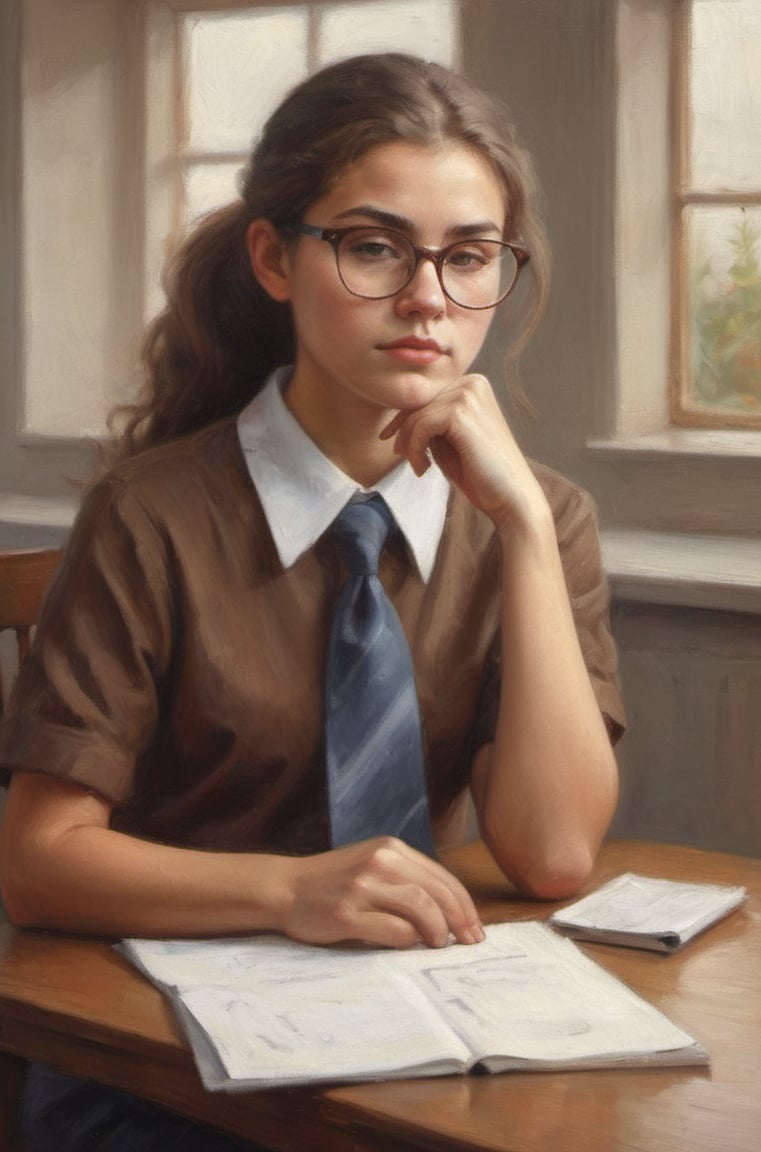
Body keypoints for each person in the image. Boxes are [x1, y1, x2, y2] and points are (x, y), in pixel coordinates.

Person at [0, 52, 624, 1151]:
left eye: (470, 257)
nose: (428, 297)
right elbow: (39, 861)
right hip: (160, 1059)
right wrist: (292, 892)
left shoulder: (542, 517)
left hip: (414, 1054)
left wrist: (522, 529)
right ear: (273, 259)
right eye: (374, 247)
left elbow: (555, 852)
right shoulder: (151, 513)